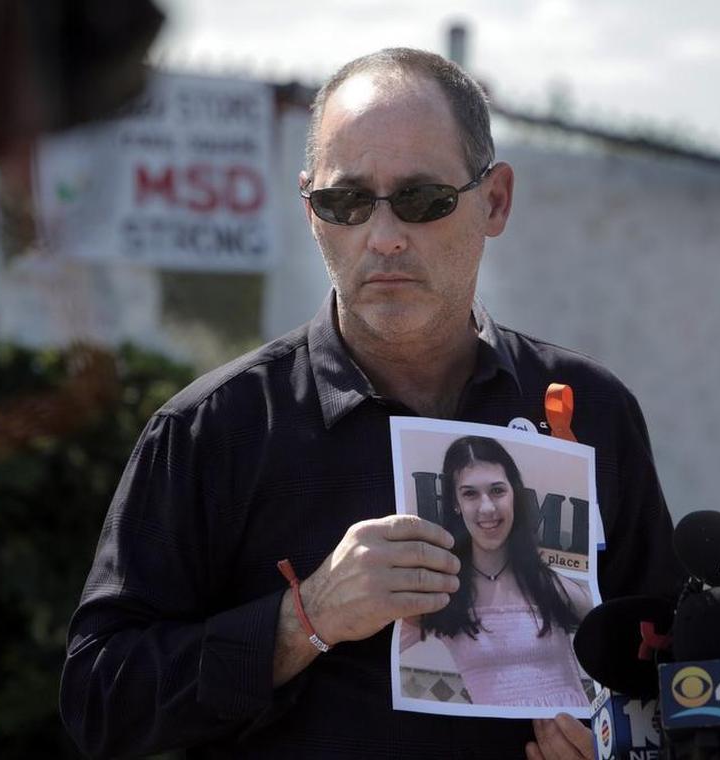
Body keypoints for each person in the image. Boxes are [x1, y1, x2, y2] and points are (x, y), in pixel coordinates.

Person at [60, 47, 684, 759]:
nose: (383, 237)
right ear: (310, 212)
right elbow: (101, 699)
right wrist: (307, 616)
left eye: (422, 200)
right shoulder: (215, 430)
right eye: (347, 201)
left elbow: (665, 669)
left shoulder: (591, 412)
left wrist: (615, 744)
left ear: (496, 201)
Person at [404, 436, 594, 708]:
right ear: (455, 503)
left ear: (514, 494)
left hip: (572, 740)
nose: (487, 508)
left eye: (497, 491)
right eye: (470, 493)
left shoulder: (546, 583)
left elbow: (612, 629)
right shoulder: (442, 590)